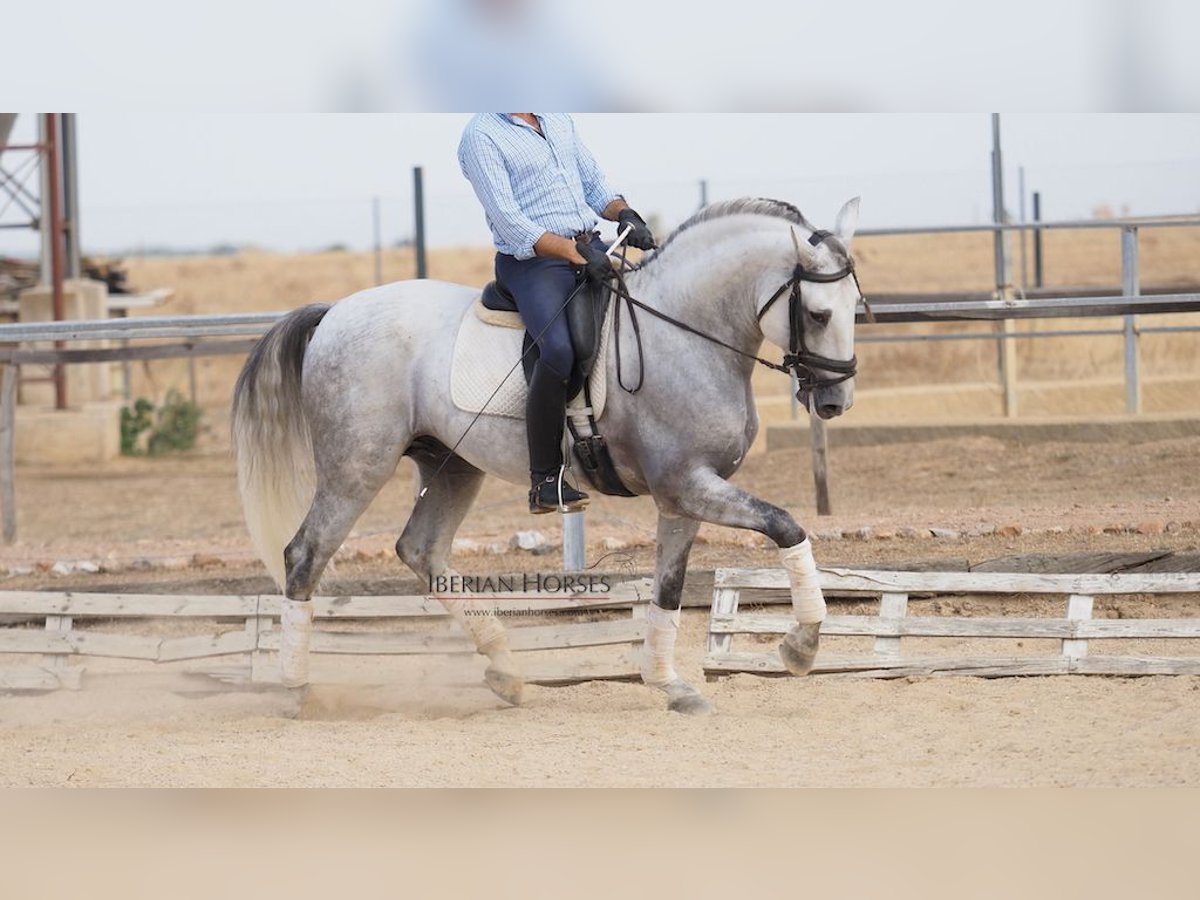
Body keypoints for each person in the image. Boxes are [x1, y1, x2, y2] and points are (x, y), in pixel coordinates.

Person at [458, 113, 656, 514]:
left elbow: (596, 186)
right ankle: (545, 478)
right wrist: (575, 254)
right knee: (559, 351)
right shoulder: (481, 136)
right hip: (534, 263)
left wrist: (625, 214)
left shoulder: (558, 120)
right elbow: (511, 223)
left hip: (589, 246)